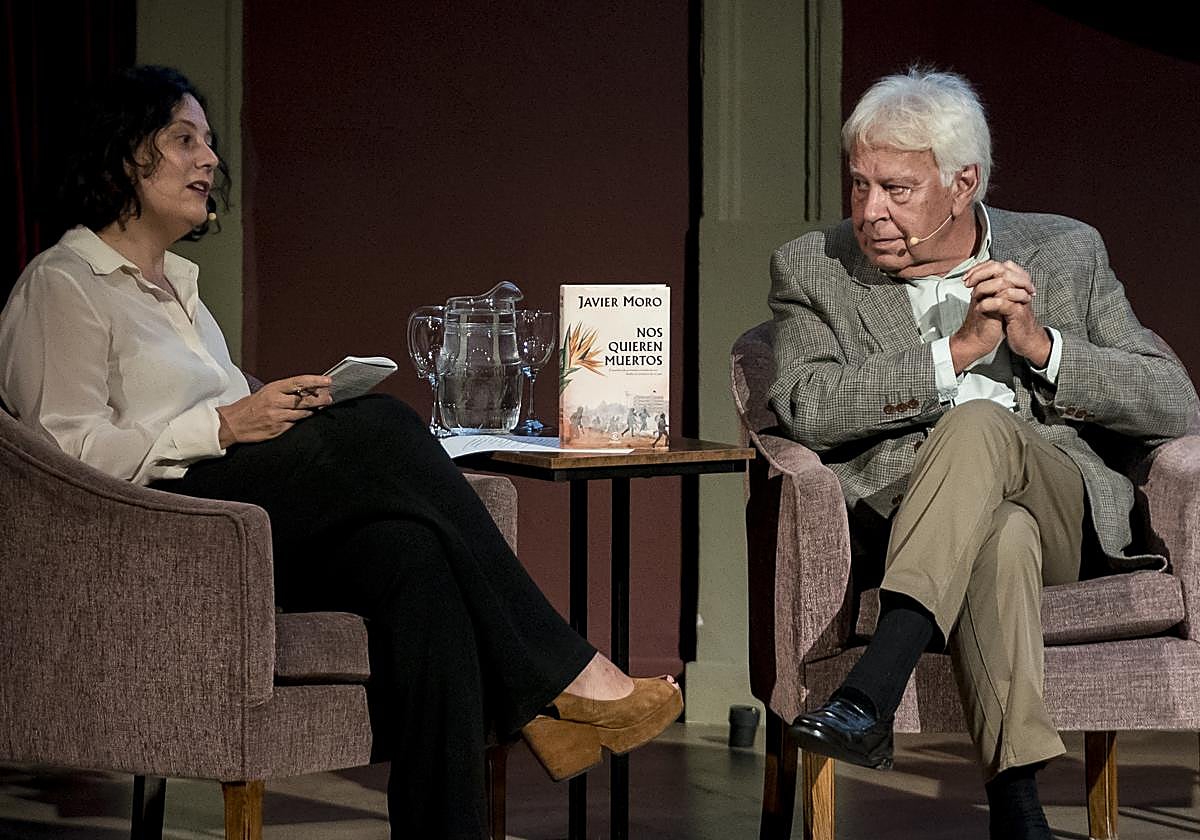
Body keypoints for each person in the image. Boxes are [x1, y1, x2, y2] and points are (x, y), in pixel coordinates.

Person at [0, 65, 681, 839]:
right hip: (166, 537)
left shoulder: (179, 293)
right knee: (387, 427)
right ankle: (566, 673)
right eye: (183, 140)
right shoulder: (65, 285)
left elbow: (194, 408)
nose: (209, 160)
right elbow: (63, 455)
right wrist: (224, 425)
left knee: (414, 553)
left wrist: (271, 408)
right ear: (125, 156)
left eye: (211, 143)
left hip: (238, 531)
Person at [767, 67, 1197, 839]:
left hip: (1061, 503)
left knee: (983, 431)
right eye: (859, 185)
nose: (870, 212)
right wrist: (955, 356)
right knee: (999, 535)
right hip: (912, 520)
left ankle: (872, 686)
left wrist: (1044, 347)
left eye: (897, 190)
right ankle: (1018, 808)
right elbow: (807, 407)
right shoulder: (814, 267)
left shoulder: (1066, 251)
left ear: (962, 183)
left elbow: (1175, 401)